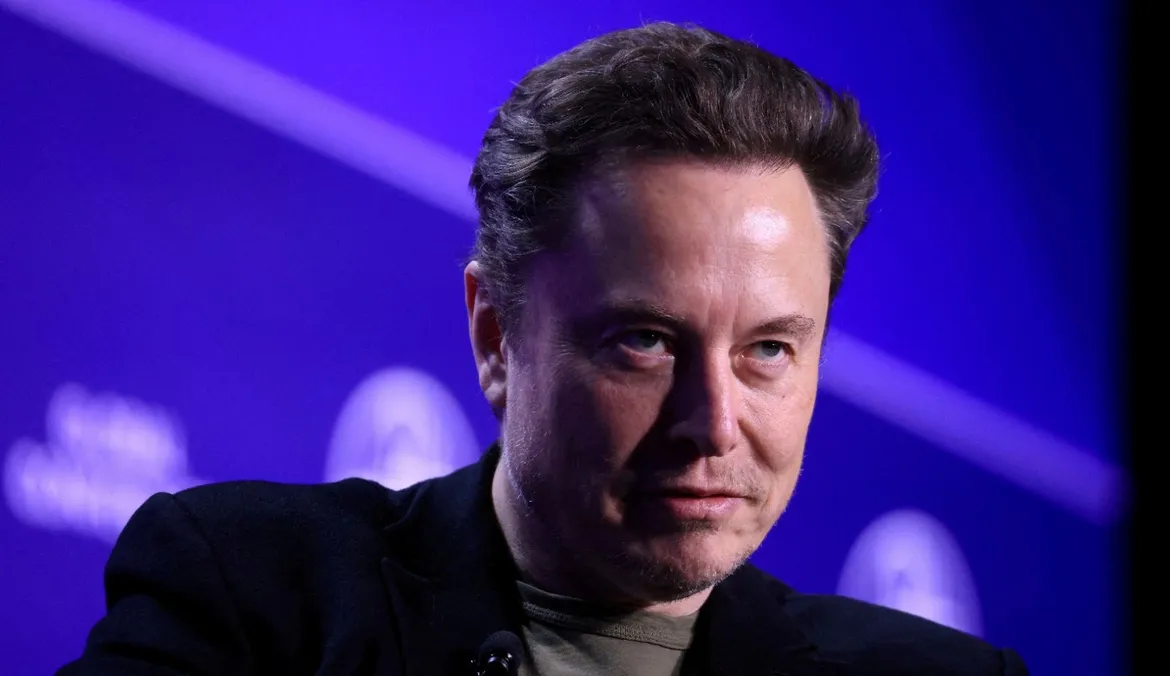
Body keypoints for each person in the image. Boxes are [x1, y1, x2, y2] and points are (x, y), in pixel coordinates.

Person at [59, 22, 1028, 676]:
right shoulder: (248, 595)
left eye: (768, 350)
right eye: (645, 341)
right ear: (495, 335)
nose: (714, 424)